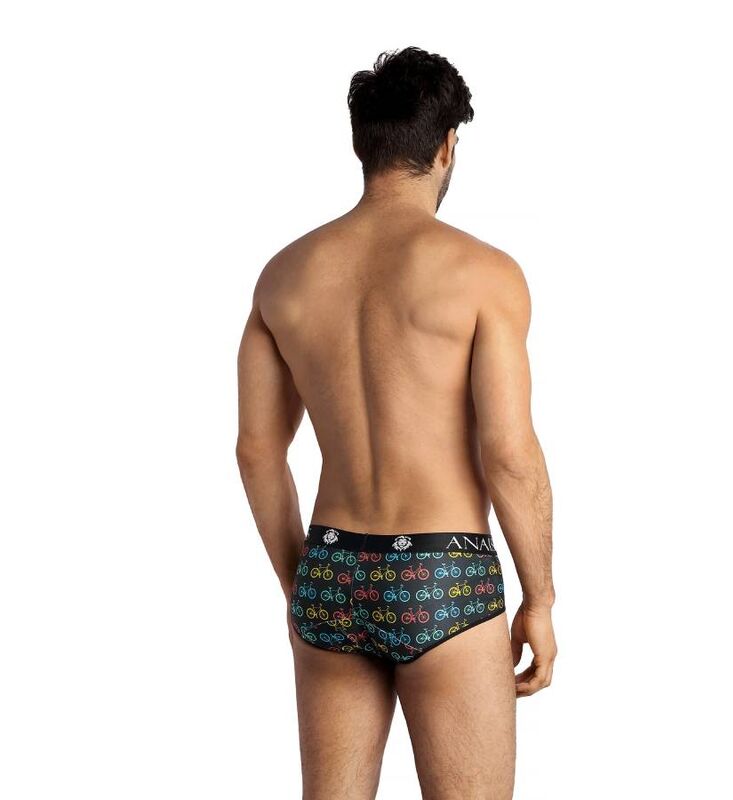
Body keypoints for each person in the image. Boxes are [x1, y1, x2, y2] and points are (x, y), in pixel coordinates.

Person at [236, 45, 556, 800]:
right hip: (445, 572)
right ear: (447, 147)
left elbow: (257, 451)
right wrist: (540, 599)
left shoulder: (284, 275)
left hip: (332, 567)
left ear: (362, 146)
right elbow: (509, 453)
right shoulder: (484, 274)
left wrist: (303, 583)